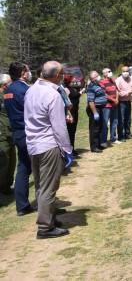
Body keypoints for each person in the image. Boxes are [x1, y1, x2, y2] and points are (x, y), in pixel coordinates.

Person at [24, 61, 73, 239]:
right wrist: (67, 149)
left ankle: (49, 218)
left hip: (33, 144)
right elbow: (59, 127)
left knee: (40, 185)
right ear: (57, 75)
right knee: (49, 187)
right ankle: (45, 227)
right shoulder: (52, 95)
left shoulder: (31, 90)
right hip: (48, 145)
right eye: (62, 74)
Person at [4, 62, 35, 216]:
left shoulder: (8, 90)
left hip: (17, 133)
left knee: (23, 169)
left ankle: (22, 206)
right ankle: (45, 205)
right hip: (30, 133)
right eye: (28, 70)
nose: (29, 73)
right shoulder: (26, 90)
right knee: (40, 168)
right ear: (23, 73)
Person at [0, 74, 17, 195]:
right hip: (2, 133)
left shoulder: (8, 94)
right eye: (10, 82)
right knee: (3, 162)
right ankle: (2, 188)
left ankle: (7, 186)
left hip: (11, 131)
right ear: (4, 84)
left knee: (12, 160)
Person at [86, 71, 107, 153]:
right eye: (97, 76)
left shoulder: (98, 84)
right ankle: (94, 147)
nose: (99, 76)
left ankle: (98, 144)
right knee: (94, 129)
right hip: (95, 109)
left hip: (100, 108)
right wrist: (95, 113)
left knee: (99, 127)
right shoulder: (91, 87)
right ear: (92, 78)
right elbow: (91, 102)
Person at [63, 73, 84, 156]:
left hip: (75, 112)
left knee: (73, 131)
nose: (75, 80)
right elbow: (66, 102)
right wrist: (81, 92)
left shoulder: (73, 88)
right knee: (69, 131)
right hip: (69, 113)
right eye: (73, 79)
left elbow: (76, 96)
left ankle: (72, 148)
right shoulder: (66, 89)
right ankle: (68, 151)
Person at [99, 68, 120, 145]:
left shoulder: (113, 81)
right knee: (105, 123)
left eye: (110, 71)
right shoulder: (101, 82)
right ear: (104, 74)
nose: (110, 72)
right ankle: (103, 140)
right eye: (108, 71)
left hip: (115, 104)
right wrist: (113, 100)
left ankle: (113, 138)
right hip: (106, 105)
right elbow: (104, 94)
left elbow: (117, 90)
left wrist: (117, 99)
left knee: (114, 121)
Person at [115, 66, 132, 140]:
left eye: (127, 71)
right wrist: (128, 92)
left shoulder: (131, 79)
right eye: (124, 71)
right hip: (121, 102)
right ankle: (121, 136)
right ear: (121, 72)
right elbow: (118, 92)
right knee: (121, 119)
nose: (126, 73)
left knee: (128, 118)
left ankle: (127, 133)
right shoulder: (118, 80)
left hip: (128, 101)